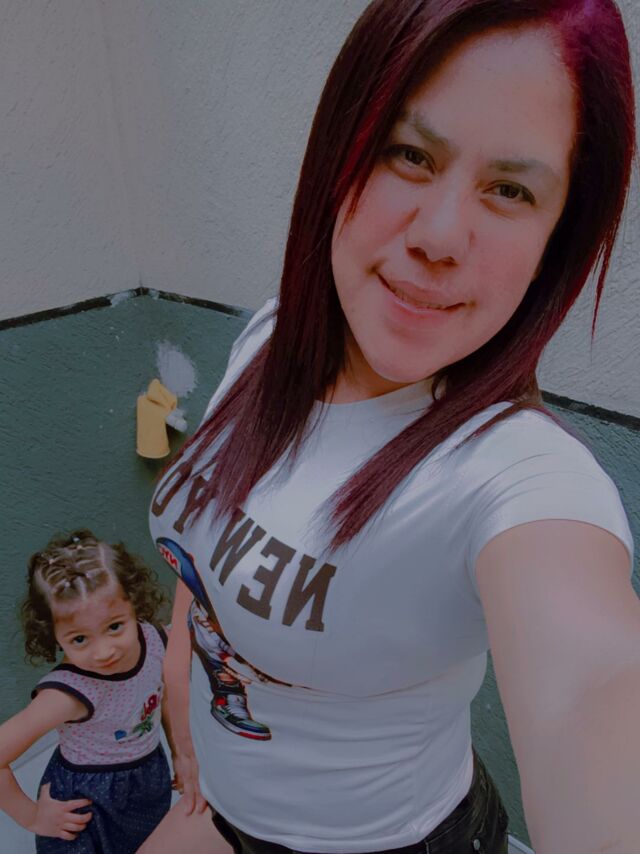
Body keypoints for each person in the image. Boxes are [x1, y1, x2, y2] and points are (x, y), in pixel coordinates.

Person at [148, 0, 639, 852]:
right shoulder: (270, 339)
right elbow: (214, 536)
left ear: (554, 243)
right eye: (410, 154)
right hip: (223, 812)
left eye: (511, 190)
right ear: (340, 154)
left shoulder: (516, 476)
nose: (441, 237)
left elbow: (593, 695)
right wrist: (180, 671)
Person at [0, 529, 173, 853]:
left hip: (147, 779)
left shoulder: (154, 640)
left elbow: (166, 696)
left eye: (115, 626)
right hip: (88, 805)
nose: (104, 651)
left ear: (134, 603)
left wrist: (181, 752)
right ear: (52, 634)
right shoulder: (66, 695)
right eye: (79, 639)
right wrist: (33, 817)